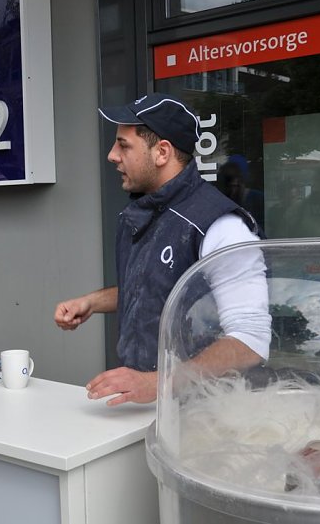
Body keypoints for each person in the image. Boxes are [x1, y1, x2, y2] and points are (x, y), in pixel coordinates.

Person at [54, 94, 271, 406]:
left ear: (162, 152)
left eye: (123, 145)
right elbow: (160, 285)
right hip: (152, 405)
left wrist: (157, 382)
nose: (112, 156)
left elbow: (250, 339)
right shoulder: (147, 211)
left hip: (207, 414)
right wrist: (92, 302)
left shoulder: (221, 225)